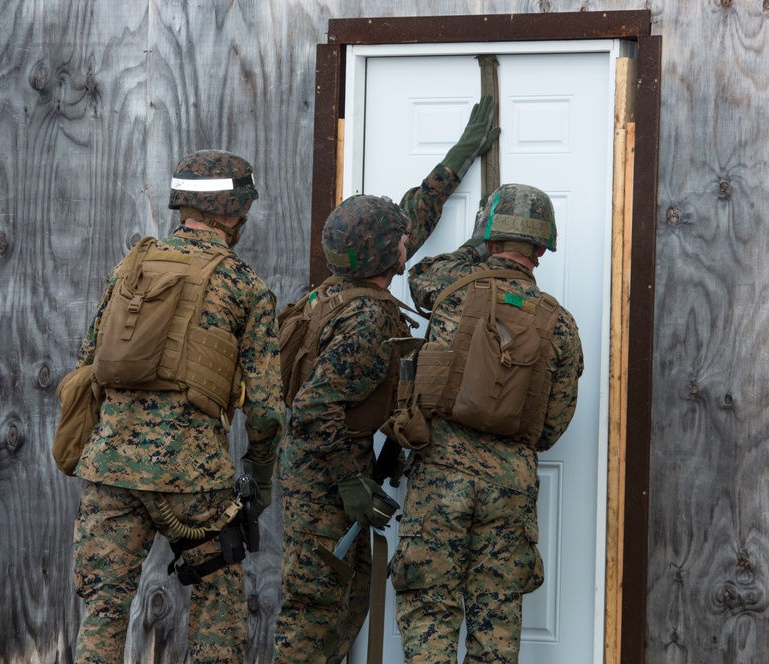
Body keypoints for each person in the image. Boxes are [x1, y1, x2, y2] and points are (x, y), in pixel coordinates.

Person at [272, 97, 500, 663]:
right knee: (313, 619)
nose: (410, 242)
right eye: (401, 242)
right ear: (384, 255)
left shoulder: (338, 286)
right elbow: (312, 411)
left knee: (342, 609)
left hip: (319, 477)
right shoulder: (370, 319)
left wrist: (459, 156)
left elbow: (409, 215)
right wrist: (352, 481)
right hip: (325, 484)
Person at [70, 149, 285, 664]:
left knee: (103, 607)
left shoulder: (132, 267)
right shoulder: (245, 285)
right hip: (196, 478)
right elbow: (267, 409)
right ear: (234, 211)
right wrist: (259, 475)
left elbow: (87, 361)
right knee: (217, 604)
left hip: (110, 469)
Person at [389, 183, 584, 663]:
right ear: (541, 249)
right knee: (496, 624)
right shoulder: (560, 324)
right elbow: (551, 426)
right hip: (510, 488)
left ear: (487, 236)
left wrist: (476, 246)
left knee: (430, 613)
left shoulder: (452, 290)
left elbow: (420, 274)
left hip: (441, 477)